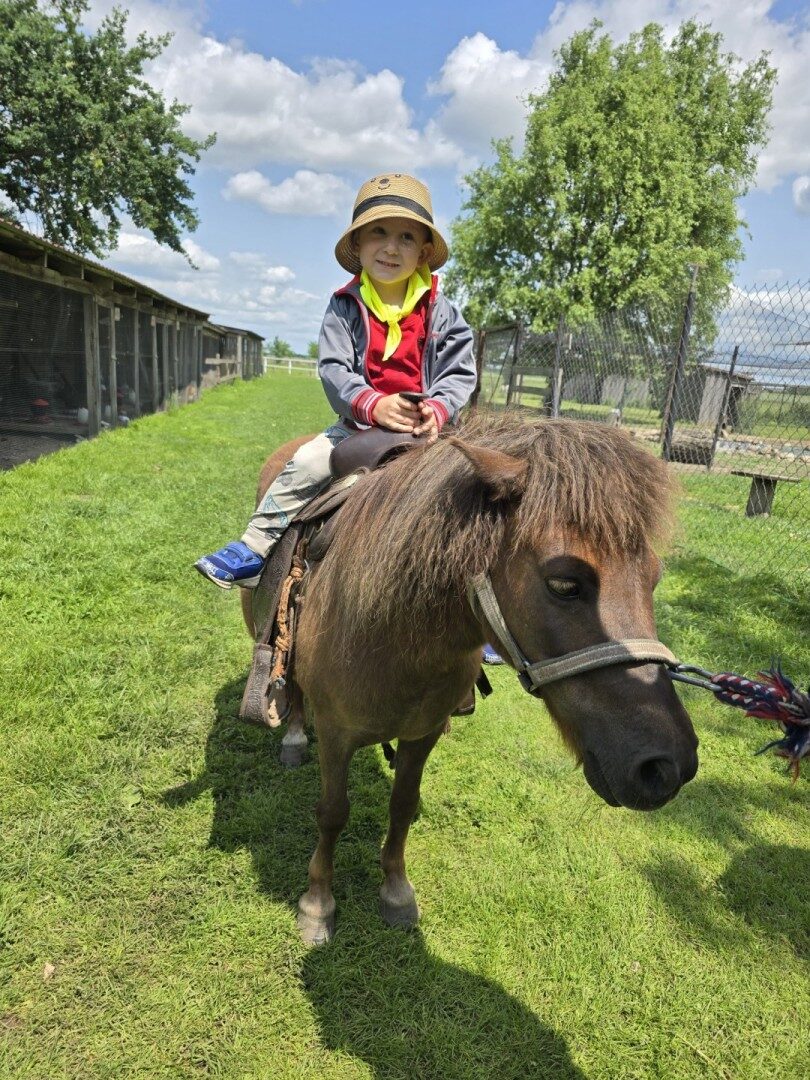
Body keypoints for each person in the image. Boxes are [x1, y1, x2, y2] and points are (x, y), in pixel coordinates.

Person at [195, 173, 477, 589]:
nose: (391, 247)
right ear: (358, 243)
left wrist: (436, 409)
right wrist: (373, 404)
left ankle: (479, 588)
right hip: (358, 426)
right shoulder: (345, 306)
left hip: (428, 431)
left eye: (406, 237)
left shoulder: (442, 312)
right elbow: (334, 369)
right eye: (378, 232)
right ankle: (254, 548)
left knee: (478, 492)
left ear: (422, 253)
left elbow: (458, 371)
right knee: (308, 462)